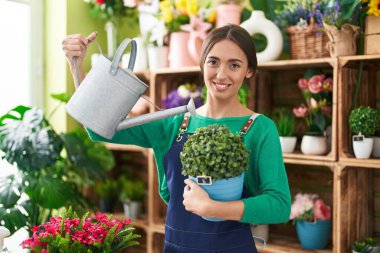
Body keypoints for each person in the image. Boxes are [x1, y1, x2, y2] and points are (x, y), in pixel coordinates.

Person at [62, 24, 291, 253]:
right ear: (202, 64)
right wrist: (76, 65)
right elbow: (98, 128)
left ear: (249, 70)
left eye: (234, 65)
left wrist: (213, 208)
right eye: (213, 62)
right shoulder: (174, 123)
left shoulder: (260, 128)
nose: (221, 74)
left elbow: (279, 205)